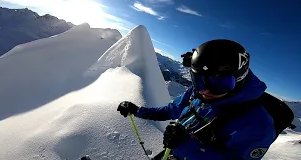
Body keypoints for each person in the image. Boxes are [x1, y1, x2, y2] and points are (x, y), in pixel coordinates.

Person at [117, 39, 276, 160]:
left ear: (239, 80)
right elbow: (172, 110)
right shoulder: (197, 93)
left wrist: (190, 148)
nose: (205, 89)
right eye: (198, 79)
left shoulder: (259, 124)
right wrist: (137, 111)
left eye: (219, 83)